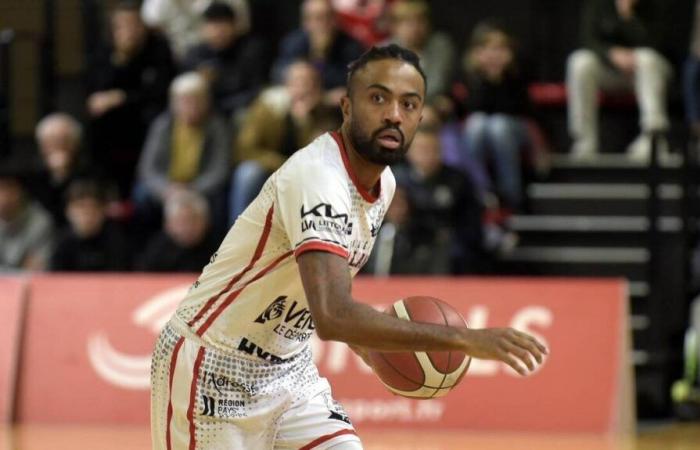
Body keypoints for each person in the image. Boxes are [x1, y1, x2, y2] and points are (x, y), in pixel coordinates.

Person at [150, 44, 547, 450]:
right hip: (212, 366)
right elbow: (333, 314)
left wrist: (372, 349)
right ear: (346, 107)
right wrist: (463, 340)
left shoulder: (386, 184)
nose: (394, 114)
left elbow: (320, 291)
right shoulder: (317, 177)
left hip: (289, 370)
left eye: (409, 105)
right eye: (379, 98)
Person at [229, 60, 341, 223]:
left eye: (309, 83)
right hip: (270, 169)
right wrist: (282, 165)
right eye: (297, 82)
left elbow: (318, 157)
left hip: (304, 173)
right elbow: (245, 149)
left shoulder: (324, 113)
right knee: (248, 173)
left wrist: (304, 122)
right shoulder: (268, 107)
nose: (303, 88)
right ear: (286, 85)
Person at [86, 1, 176, 197]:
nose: (129, 30)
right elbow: (97, 90)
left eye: (134, 24)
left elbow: (160, 90)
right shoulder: (106, 50)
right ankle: (108, 189)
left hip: (148, 112)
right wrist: (121, 59)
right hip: (117, 118)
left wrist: (123, 97)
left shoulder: (159, 47)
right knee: (99, 120)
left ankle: (142, 184)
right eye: (122, 25)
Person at [566, 0, 671, 162]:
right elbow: (588, 39)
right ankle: (584, 140)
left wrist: (627, 16)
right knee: (579, 62)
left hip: (645, 73)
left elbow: (657, 43)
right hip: (608, 71)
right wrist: (610, 54)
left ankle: (652, 137)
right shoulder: (598, 5)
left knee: (647, 57)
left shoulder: (654, 7)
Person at [455, 20, 535, 211]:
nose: (494, 54)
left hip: (516, 128)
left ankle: (512, 195)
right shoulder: (470, 75)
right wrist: (486, 78)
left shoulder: (518, 72)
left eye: (499, 48)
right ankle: (479, 191)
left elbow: (518, 109)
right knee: (478, 123)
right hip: (481, 131)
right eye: (488, 48)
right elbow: (473, 108)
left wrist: (500, 77)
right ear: (477, 53)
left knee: (498, 125)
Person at [135, 72, 230, 230]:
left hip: (200, 186)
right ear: (174, 104)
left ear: (206, 102)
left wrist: (193, 189)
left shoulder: (218, 127)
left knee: (220, 199)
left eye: (195, 101)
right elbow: (148, 168)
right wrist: (166, 189)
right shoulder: (162, 126)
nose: (190, 107)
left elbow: (220, 169)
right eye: (184, 101)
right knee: (142, 195)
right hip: (167, 186)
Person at [393, 125, 485, 274]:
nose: (427, 155)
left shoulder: (457, 180)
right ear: (409, 152)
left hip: (447, 245)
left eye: (432, 149)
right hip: (410, 241)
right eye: (422, 149)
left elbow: (471, 218)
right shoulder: (396, 180)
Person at [181, 2, 267, 117]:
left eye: (223, 25)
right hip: (202, 112)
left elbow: (256, 89)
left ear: (234, 26)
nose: (218, 32)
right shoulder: (195, 55)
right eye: (213, 26)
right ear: (203, 29)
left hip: (239, 107)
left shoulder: (250, 49)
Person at [272, 0, 365, 105]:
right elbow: (278, 72)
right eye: (318, 18)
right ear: (306, 22)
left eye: (328, 17)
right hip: (299, 96)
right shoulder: (293, 42)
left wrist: (321, 57)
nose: (323, 24)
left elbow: (352, 80)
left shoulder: (350, 46)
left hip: (331, 103)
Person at [50, 179, 131, 272]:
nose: (87, 213)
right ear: (68, 211)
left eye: (93, 207)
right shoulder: (61, 243)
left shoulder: (116, 241)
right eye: (80, 207)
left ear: (103, 211)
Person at [385, 0, 456, 102]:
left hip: (431, 106)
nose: (415, 28)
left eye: (420, 21)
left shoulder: (441, 46)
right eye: (409, 23)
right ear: (395, 27)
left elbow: (437, 85)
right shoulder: (384, 51)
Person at [138, 189, 219, 272]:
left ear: (206, 222)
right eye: (182, 221)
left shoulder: (219, 248)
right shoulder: (156, 251)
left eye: (193, 220)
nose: (188, 228)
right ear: (168, 225)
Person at [141, 0, 251, 61]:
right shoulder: (157, 5)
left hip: (224, 56)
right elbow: (152, 30)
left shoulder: (235, 3)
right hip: (174, 60)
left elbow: (241, 29)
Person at [0, 168, 54, 271]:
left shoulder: (40, 222)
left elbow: (38, 270)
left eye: (7, 189)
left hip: (31, 285)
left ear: (20, 192)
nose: (2, 197)